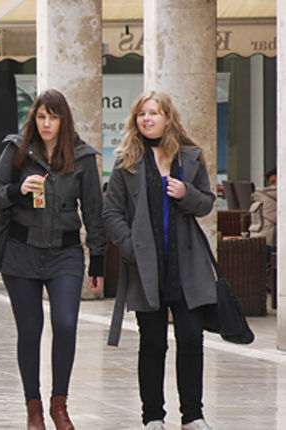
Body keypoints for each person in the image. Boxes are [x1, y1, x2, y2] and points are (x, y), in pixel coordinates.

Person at [0, 89, 105, 430]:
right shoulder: (16, 150)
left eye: (53, 117)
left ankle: (59, 404)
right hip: (20, 252)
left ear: (63, 120)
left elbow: (94, 212)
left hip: (65, 253)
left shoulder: (82, 158)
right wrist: (18, 190)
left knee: (65, 324)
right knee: (30, 329)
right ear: (33, 119)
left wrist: (97, 258)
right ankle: (33, 407)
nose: (46, 123)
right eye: (41, 116)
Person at [103, 91, 216, 430]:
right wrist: (130, 247)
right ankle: (153, 416)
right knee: (152, 342)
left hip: (187, 266)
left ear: (168, 118)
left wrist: (186, 194)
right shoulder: (127, 161)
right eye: (141, 114)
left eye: (154, 113)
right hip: (145, 266)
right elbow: (111, 211)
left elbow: (207, 203)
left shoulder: (191, 157)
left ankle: (192, 415)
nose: (147, 119)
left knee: (192, 339)